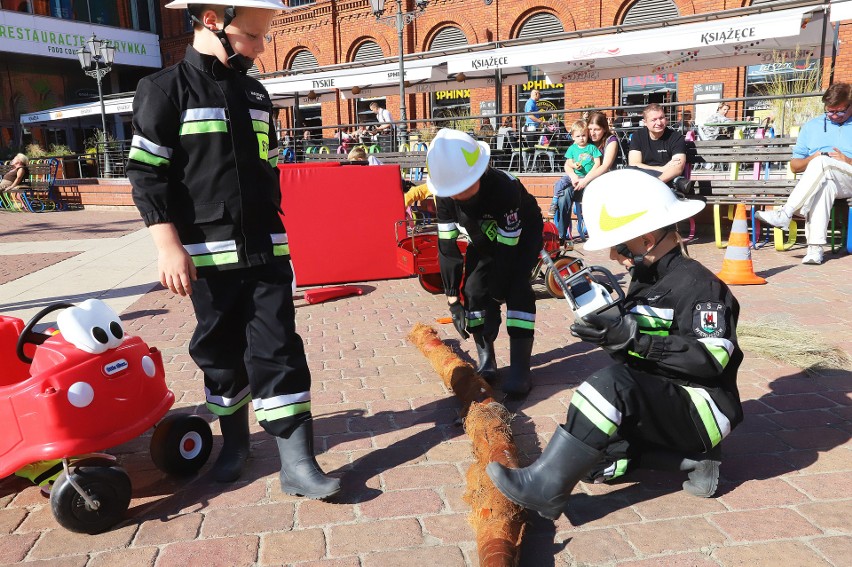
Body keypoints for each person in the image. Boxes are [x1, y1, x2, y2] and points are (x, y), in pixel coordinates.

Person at [126, 0, 340, 500]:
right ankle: (236, 443)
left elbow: (264, 167)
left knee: (279, 347)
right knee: (220, 354)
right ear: (212, 20)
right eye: (253, 36)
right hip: (206, 256)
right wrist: (167, 245)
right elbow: (146, 174)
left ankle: (298, 463)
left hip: (266, 248)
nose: (262, 48)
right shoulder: (162, 90)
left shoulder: (255, 91)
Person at [487, 168, 743, 521]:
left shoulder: (701, 287)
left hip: (702, 405)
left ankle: (544, 488)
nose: (613, 257)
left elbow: (711, 361)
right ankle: (695, 461)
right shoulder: (649, 276)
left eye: (620, 246)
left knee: (607, 387)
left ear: (648, 238)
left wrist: (635, 338)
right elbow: (641, 359)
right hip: (663, 398)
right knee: (594, 462)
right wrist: (611, 335)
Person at [429, 128, 543, 396]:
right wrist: (452, 300)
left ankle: (520, 370)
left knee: (516, 288)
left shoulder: (504, 188)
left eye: (464, 188)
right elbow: (447, 248)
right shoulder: (445, 195)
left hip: (520, 236)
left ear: (480, 172)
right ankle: (486, 359)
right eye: (453, 191)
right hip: (482, 235)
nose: (459, 196)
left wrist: (495, 299)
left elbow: (507, 251)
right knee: (472, 290)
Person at [755, 82, 852, 266]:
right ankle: (815, 250)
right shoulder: (812, 126)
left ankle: (786, 213)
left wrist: (847, 160)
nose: (833, 116)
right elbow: (794, 166)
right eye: (829, 111)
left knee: (822, 163)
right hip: (827, 178)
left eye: (839, 112)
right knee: (824, 186)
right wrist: (812, 158)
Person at [548, 120, 601, 246]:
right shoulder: (572, 148)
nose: (582, 138)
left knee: (568, 194)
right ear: (573, 137)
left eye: (584, 135)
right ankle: (561, 235)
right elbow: (568, 164)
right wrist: (573, 175)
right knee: (562, 193)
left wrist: (587, 178)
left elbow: (598, 164)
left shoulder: (592, 148)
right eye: (578, 136)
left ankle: (592, 231)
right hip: (575, 180)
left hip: (588, 182)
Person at [628, 103, 694, 195]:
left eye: (661, 118)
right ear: (645, 122)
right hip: (644, 180)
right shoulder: (638, 136)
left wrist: (657, 182)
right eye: (654, 120)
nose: (659, 123)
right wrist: (662, 168)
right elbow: (634, 164)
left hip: (665, 181)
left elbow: (677, 168)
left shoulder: (676, 137)